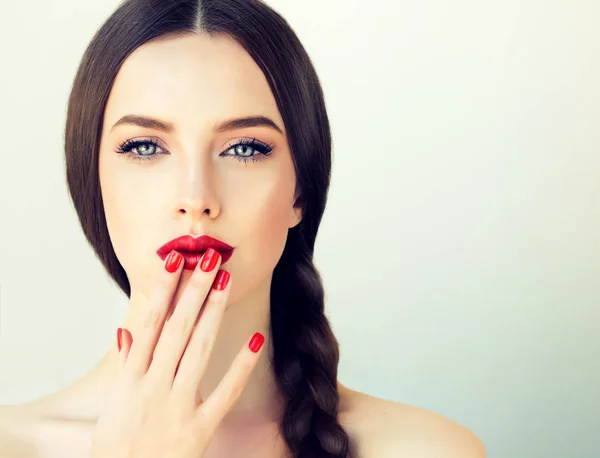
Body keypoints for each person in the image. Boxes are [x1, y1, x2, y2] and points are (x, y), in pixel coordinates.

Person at [0, 0, 486, 456]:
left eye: (245, 148)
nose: (196, 198)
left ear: (300, 190)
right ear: (93, 178)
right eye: (145, 147)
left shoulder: (425, 448)